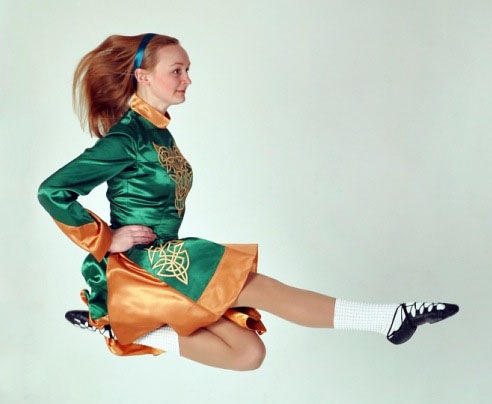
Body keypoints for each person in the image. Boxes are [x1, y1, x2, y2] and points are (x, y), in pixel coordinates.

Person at [38, 33, 459, 371]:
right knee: (267, 290)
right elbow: (52, 191)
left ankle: (122, 329)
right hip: (145, 263)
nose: (187, 79)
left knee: (248, 354)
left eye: (188, 70)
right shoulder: (126, 137)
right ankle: (388, 318)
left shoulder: (159, 132)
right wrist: (106, 238)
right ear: (143, 76)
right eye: (177, 70)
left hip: (167, 261)